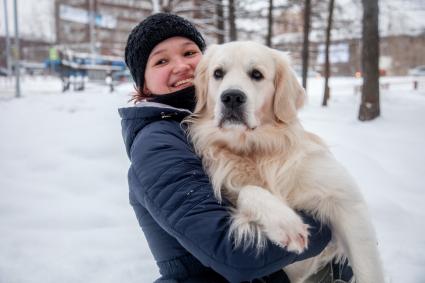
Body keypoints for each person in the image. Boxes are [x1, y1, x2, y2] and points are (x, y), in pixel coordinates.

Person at [119, 13, 352, 283]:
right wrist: (326, 222)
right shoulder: (158, 144)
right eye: (161, 60)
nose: (182, 66)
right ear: (143, 84)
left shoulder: (210, 125)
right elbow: (233, 254)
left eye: (190, 52)